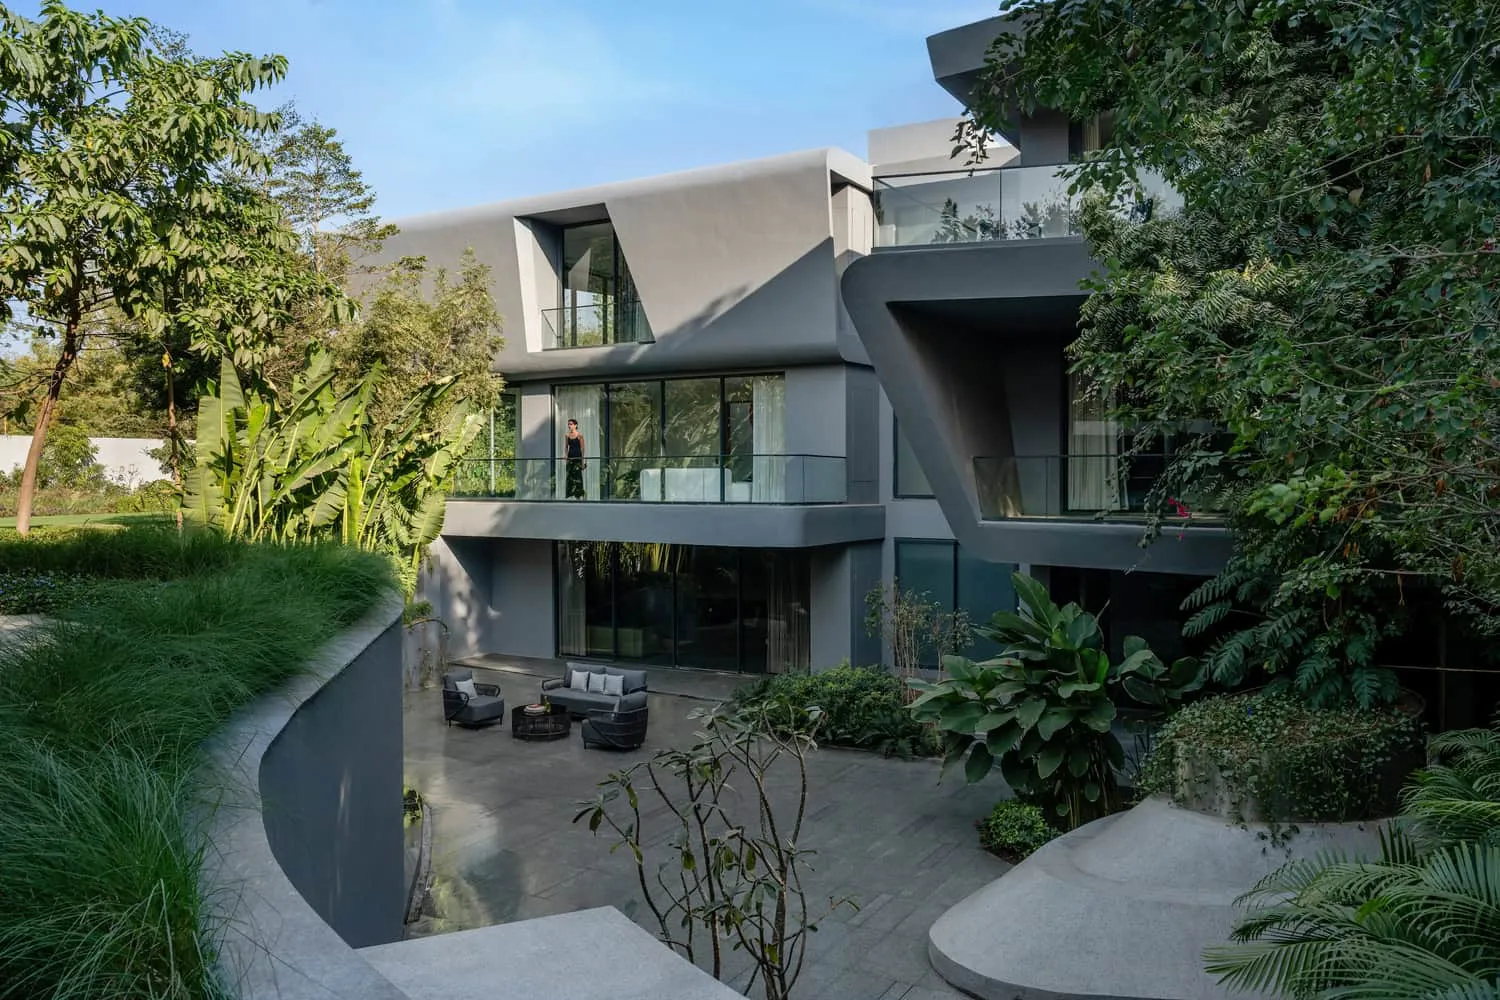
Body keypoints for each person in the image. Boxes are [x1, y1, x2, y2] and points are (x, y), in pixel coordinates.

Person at [564, 418, 586, 499]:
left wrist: (582, 462)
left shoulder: (580, 435)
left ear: (575, 425)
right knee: (570, 476)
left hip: (578, 457)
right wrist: (566, 456)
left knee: (578, 476)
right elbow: (566, 447)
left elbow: (582, 448)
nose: (569, 426)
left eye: (571, 424)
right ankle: (570, 495)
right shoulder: (567, 435)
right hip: (570, 457)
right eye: (568, 424)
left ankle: (578, 495)